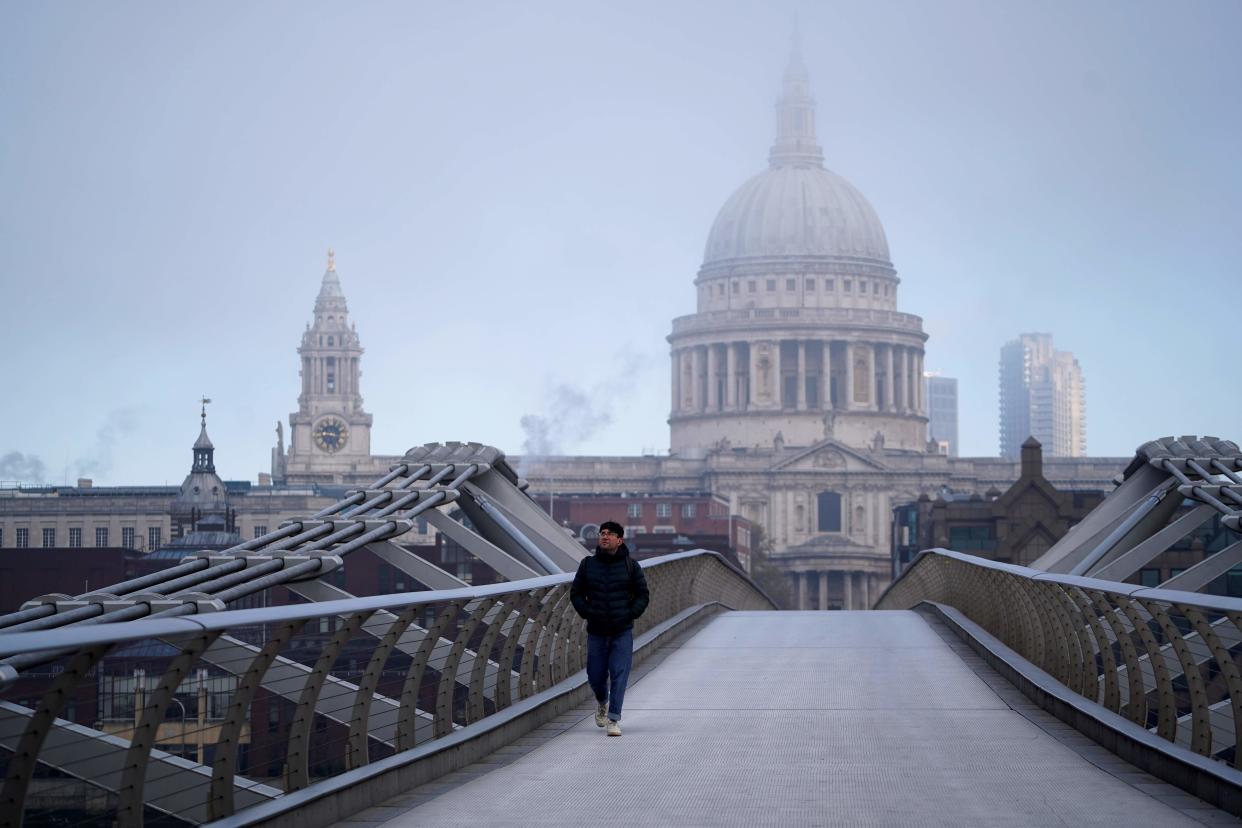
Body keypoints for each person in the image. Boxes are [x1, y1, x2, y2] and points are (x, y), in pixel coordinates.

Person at [570, 520, 649, 736]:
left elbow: (643, 595)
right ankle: (602, 701)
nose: (605, 536)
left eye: (610, 534)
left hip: (621, 630)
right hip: (596, 630)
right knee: (595, 675)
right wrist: (588, 612)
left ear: (619, 540)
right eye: (602, 533)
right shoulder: (587, 564)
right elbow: (575, 593)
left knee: (619, 673)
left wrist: (630, 614)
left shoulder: (631, 566)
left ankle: (614, 719)